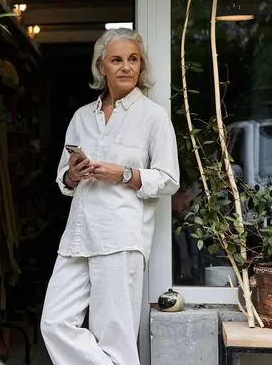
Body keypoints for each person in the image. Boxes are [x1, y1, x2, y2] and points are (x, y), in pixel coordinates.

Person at [40, 28, 180, 365]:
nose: (126, 67)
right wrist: (73, 174)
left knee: (115, 339)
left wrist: (124, 174)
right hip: (77, 236)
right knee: (54, 322)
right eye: (116, 60)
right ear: (101, 66)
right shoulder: (81, 117)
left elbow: (169, 181)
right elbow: (63, 177)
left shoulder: (154, 117)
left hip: (120, 237)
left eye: (133, 59)